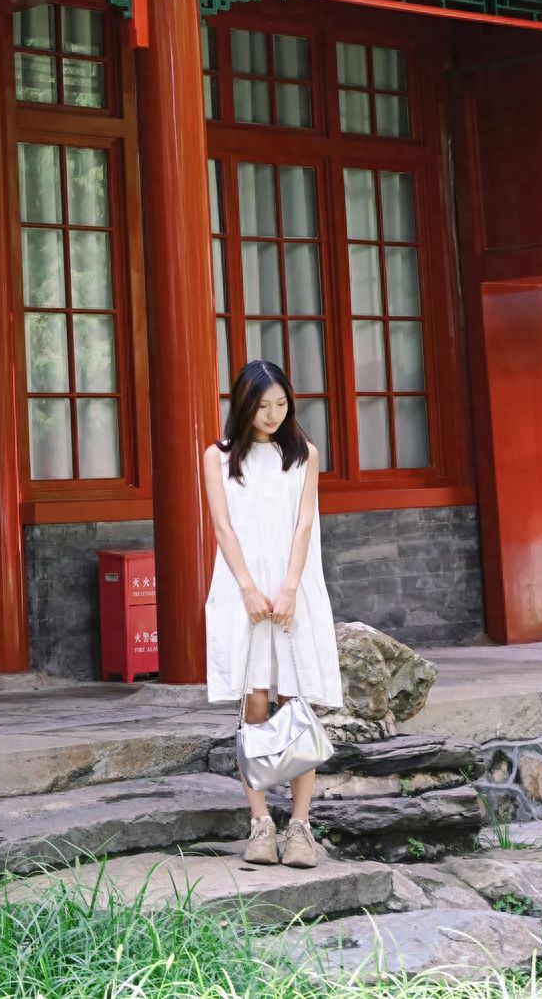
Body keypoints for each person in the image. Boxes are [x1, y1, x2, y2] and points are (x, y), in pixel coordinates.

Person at [203, 360, 344, 870]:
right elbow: (223, 528)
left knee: (296, 704)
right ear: (243, 405)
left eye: (281, 404)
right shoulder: (217, 459)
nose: (272, 414)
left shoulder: (304, 454)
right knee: (254, 707)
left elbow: (305, 525)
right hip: (242, 590)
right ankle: (261, 823)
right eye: (262, 405)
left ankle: (301, 827)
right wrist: (247, 588)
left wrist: (286, 590)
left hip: (294, 590)